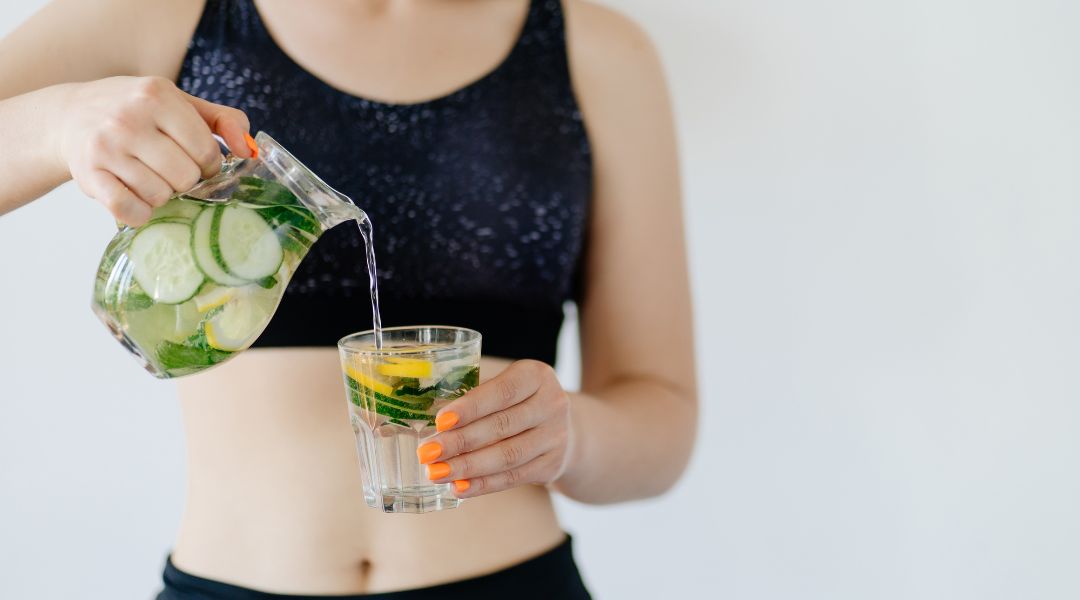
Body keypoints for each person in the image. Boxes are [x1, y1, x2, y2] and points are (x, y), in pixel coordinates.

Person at [0, 0, 697, 597]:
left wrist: (568, 435)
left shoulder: (598, 53)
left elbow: (660, 415)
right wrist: (58, 122)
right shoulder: (174, 14)